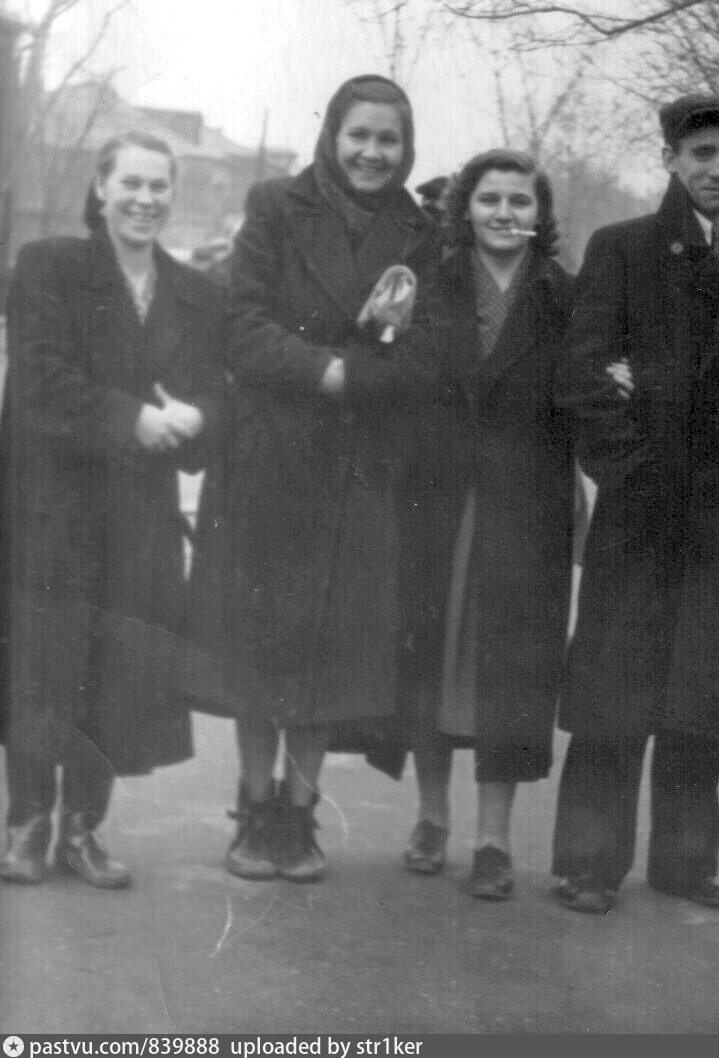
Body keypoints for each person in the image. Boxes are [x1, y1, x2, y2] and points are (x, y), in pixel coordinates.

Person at [548, 94, 719, 914]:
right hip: (644, 514)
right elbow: (584, 375)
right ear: (670, 160)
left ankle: (686, 864)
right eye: (703, 154)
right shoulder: (622, 248)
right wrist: (629, 472)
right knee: (617, 691)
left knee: (705, 693)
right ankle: (590, 864)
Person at [189, 75, 439, 883]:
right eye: (359, 135)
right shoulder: (274, 205)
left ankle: (298, 815)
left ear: (406, 148)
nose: (372, 153)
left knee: (330, 651)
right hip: (269, 457)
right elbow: (241, 326)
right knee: (263, 643)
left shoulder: (420, 231)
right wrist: (332, 374)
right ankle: (253, 805)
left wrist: (363, 378)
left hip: (358, 467)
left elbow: (424, 352)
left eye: (388, 140)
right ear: (332, 135)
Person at [0, 131, 226, 888]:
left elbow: (216, 393)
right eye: (130, 183)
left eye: (159, 186)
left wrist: (197, 417)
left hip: (139, 517)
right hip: (52, 508)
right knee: (43, 664)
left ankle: (82, 829)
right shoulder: (49, 267)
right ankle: (27, 824)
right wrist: (134, 419)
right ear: (100, 189)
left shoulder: (195, 293)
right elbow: (40, 379)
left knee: (113, 670)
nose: (145, 199)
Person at [393, 149, 576, 899]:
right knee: (431, 660)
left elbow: (585, 391)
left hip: (526, 507)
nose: (505, 213)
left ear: (540, 215)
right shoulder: (428, 284)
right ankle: (431, 817)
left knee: (510, 674)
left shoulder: (565, 295)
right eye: (490, 199)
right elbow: (395, 376)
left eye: (520, 201)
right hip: (435, 500)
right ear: (465, 208)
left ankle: (494, 839)